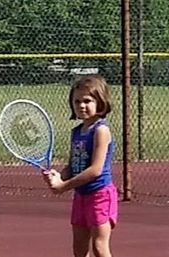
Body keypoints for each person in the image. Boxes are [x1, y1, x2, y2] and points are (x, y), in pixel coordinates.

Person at [44, 75, 118, 257]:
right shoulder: (76, 131)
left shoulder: (101, 130)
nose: (81, 106)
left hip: (100, 195)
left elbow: (95, 170)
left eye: (87, 101)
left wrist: (63, 186)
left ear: (100, 102)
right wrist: (59, 176)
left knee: (99, 247)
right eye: (77, 101)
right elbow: (72, 165)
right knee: (79, 248)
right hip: (81, 196)